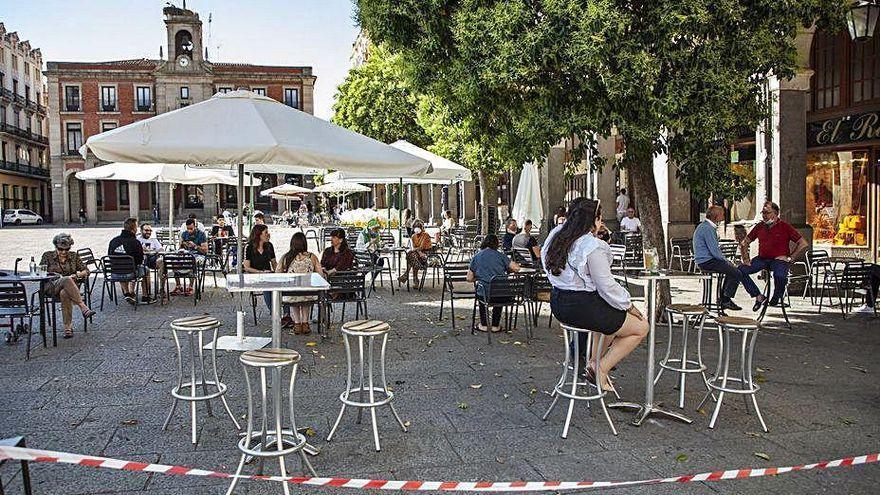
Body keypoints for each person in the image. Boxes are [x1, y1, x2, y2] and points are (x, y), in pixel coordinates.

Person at [543, 198, 648, 391]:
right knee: (642, 327)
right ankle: (600, 367)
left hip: (558, 303)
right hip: (583, 308)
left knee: (607, 319)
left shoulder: (556, 235)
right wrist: (629, 305)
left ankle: (593, 362)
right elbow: (606, 285)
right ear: (595, 220)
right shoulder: (591, 245)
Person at [738, 201, 810, 310]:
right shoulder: (760, 226)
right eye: (763, 212)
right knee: (741, 270)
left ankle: (777, 297)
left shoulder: (785, 226)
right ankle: (758, 296)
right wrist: (745, 258)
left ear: (775, 213)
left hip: (779, 259)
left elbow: (803, 243)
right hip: (762, 258)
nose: (764, 215)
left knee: (780, 275)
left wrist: (791, 257)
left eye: (767, 213)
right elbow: (744, 242)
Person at [40, 233, 96, 339]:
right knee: (66, 279)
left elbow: (86, 271)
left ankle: (68, 328)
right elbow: (41, 272)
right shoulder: (47, 255)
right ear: (55, 246)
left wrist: (76, 275)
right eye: (61, 249)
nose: (64, 252)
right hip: (52, 286)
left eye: (67, 249)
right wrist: (55, 275)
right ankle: (83, 306)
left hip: (70, 289)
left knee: (64, 293)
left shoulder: (74, 256)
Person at [693, 205, 743, 311]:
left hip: (705, 260)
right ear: (716, 216)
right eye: (722, 214)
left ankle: (724, 298)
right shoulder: (707, 228)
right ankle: (725, 299)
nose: (724, 216)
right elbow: (714, 250)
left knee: (732, 270)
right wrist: (726, 261)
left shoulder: (705, 226)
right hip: (707, 261)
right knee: (736, 272)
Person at [467, 234, 520, 331]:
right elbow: (516, 268)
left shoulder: (477, 257)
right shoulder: (500, 255)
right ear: (496, 244)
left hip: (485, 295)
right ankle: (495, 325)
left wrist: (479, 277)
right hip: (503, 296)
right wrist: (507, 270)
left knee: (483, 290)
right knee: (499, 288)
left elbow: (469, 278)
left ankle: (484, 325)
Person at [277, 232, 323, 335]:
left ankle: (297, 324)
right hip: (309, 294)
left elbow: (277, 273)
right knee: (305, 293)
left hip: (290, 295)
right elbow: (320, 275)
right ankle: (305, 323)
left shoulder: (285, 257)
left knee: (295, 295)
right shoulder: (312, 257)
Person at [243, 223, 279, 319]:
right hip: (255, 275)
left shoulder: (269, 246)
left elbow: (274, 263)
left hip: (268, 274)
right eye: (266, 233)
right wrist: (261, 273)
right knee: (267, 288)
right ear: (259, 234)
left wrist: (279, 273)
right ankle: (274, 313)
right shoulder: (249, 247)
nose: (268, 234)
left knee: (283, 287)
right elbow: (246, 267)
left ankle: (287, 315)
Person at [108, 217, 146, 306]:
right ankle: (145, 295)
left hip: (115, 273)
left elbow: (110, 257)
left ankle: (127, 292)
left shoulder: (113, 241)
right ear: (134, 229)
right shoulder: (135, 242)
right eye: (136, 227)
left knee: (120, 266)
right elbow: (140, 260)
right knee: (145, 270)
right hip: (131, 273)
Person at [174, 218, 208, 296]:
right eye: (188, 228)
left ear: (195, 226)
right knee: (174, 260)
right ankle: (178, 285)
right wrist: (183, 246)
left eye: (191, 229)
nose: (189, 231)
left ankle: (190, 286)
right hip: (186, 254)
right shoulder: (184, 234)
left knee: (192, 261)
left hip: (198, 255)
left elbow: (205, 251)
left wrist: (195, 246)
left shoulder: (201, 234)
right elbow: (180, 247)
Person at [398, 220, 432, 286]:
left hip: (425, 255)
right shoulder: (413, 236)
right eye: (415, 227)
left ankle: (407, 275)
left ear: (422, 227)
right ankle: (415, 280)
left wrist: (414, 250)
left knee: (411, 255)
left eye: (419, 226)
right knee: (412, 256)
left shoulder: (425, 235)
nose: (417, 228)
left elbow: (421, 247)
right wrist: (415, 250)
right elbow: (414, 247)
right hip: (416, 255)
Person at [136, 223, 164, 304]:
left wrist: (154, 251)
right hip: (140, 260)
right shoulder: (137, 240)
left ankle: (161, 288)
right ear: (141, 231)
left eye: (150, 230)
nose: (148, 232)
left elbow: (161, 250)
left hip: (152, 258)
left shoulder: (153, 240)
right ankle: (146, 293)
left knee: (162, 261)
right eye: (146, 230)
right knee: (144, 269)